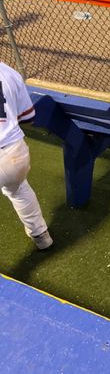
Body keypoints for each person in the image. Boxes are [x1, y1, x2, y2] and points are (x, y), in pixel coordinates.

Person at [0, 62, 53, 250]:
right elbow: (28, 117)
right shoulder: (9, 73)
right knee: (19, 189)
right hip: (15, 152)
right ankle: (41, 236)